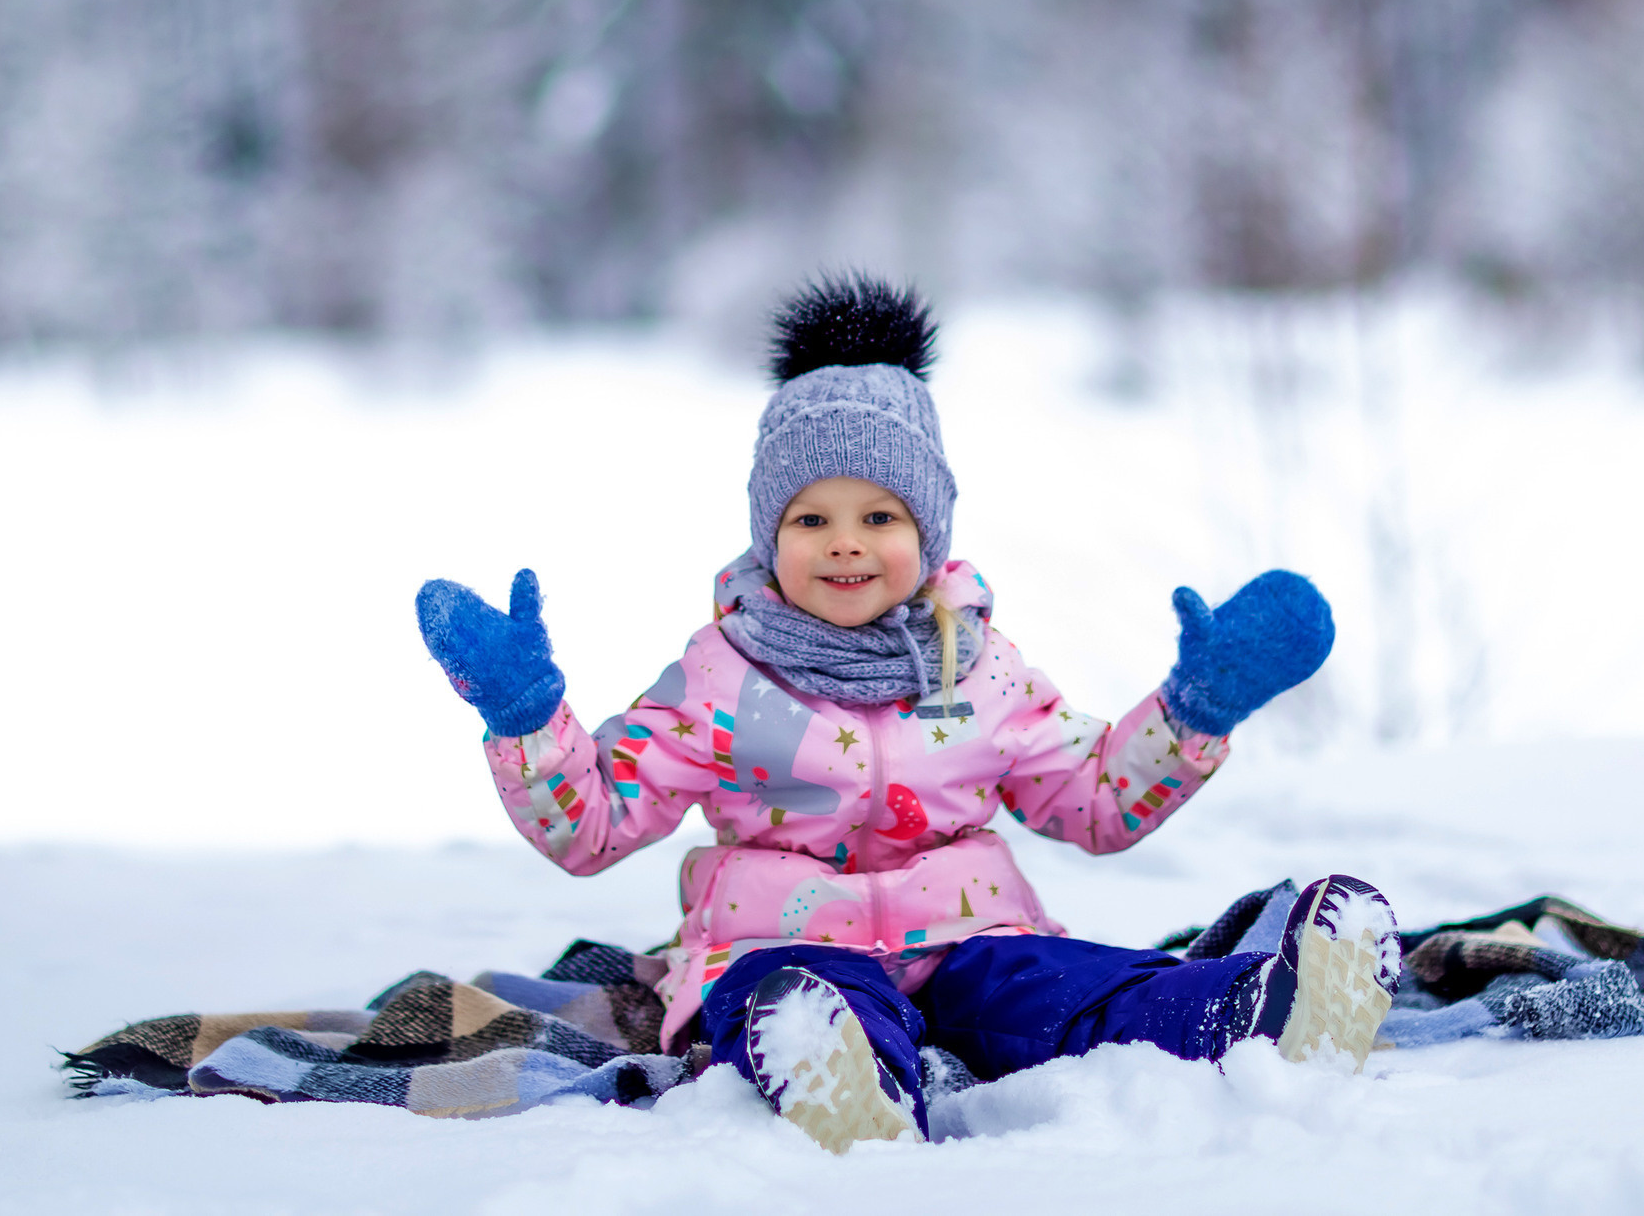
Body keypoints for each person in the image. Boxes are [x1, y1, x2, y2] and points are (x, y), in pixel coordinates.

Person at [415, 274, 1401, 1151]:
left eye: (879, 517)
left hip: (976, 942)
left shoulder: (979, 670)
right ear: (769, 536)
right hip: (777, 947)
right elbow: (594, 824)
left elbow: (1093, 803)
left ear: (927, 532)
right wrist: (526, 717)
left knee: (1069, 990)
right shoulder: (722, 676)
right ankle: (835, 1070)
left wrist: (1191, 711)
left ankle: (1260, 1009)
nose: (845, 547)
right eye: (811, 520)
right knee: (800, 997)